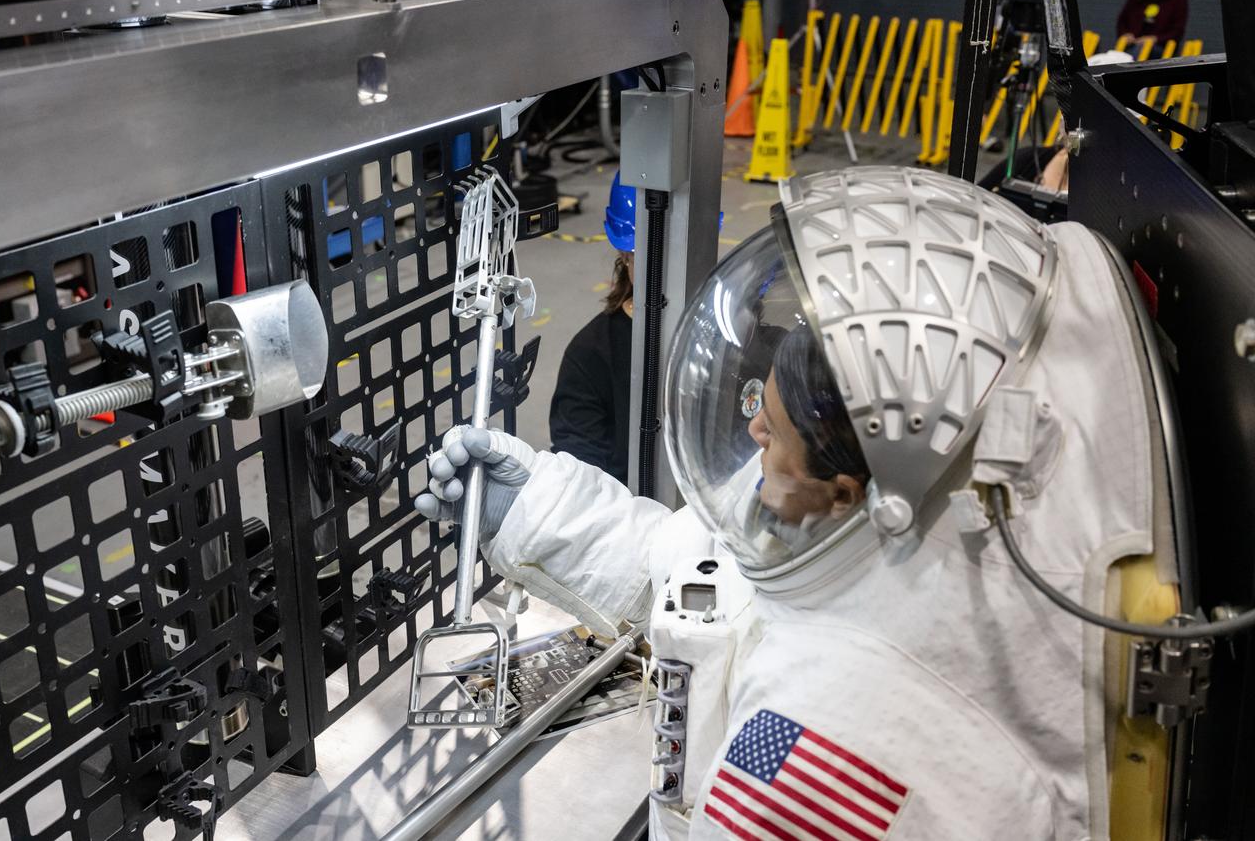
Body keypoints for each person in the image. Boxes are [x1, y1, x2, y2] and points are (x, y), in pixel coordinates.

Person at [418, 166, 1167, 839]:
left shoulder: (834, 745)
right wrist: (532, 507)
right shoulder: (876, 512)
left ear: (849, 495)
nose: (750, 432)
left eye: (769, 431)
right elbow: (698, 566)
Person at [547, 171, 636, 482]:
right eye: (649, 256)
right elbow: (579, 479)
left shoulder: (722, 332)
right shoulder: (590, 355)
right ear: (625, 256)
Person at [1118, 0, 1188, 47]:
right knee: (1116, 55)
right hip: (1133, 42)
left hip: (1161, 46)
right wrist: (1126, 34)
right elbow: (1122, 20)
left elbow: (1177, 31)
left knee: (1140, 51)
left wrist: (1155, 39)